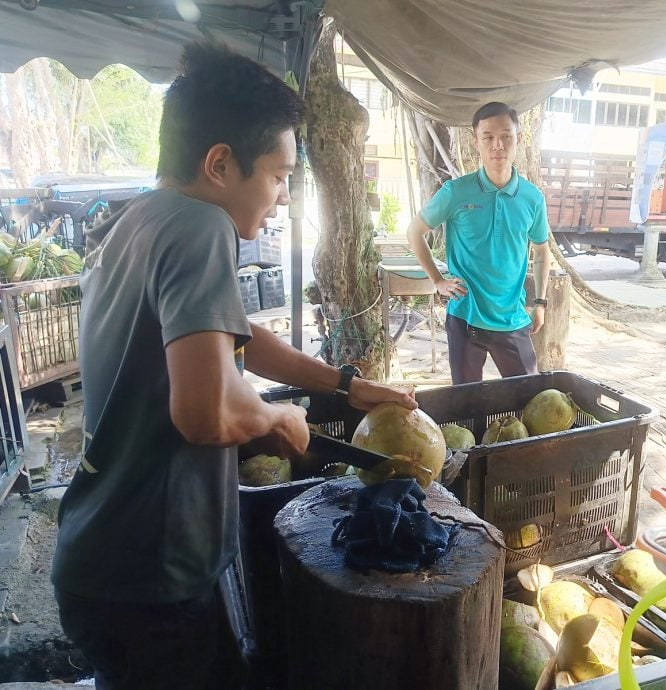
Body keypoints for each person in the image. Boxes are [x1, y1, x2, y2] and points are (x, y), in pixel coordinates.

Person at [50, 43, 416, 690]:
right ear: (220, 163)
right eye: (278, 176)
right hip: (150, 581)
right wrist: (278, 417)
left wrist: (344, 383)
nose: (281, 198)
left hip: (104, 560)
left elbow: (241, 336)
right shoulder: (199, 228)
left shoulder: (142, 219)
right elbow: (206, 411)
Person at [406, 102, 551, 384]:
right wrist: (438, 281)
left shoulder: (532, 198)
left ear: (518, 138)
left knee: (531, 397)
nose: (498, 145)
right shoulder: (455, 192)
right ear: (476, 142)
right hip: (465, 316)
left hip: (512, 317)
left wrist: (541, 302)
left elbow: (542, 252)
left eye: (506, 136)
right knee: (466, 404)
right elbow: (415, 232)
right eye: (488, 137)